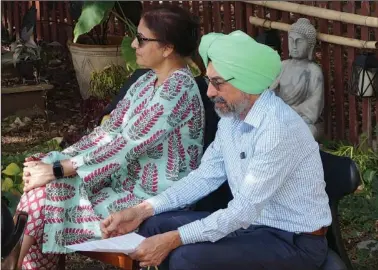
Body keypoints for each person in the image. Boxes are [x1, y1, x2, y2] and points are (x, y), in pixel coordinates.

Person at [101, 30, 332, 270]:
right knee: (152, 226)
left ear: (246, 82)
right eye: (209, 81)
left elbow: (242, 210)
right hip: (253, 225)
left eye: (218, 83)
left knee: (185, 258)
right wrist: (141, 210)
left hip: (294, 240)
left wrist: (173, 239)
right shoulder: (232, 118)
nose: (210, 92)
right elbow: (204, 176)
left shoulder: (277, 129)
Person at [16, 6, 204, 270]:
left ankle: (11, 260)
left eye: (142, 39)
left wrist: (57, 170)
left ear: (167, 48)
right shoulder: (147, 81)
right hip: (121, 181)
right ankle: (13, 261)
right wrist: (55, 162)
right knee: (44, 188)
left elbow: (123, 147)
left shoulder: (179, 89)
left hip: (153, 197)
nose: (134, 44)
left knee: (47, 194)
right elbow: (106, 134)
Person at [271, 18, 324, 139]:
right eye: (291, 40)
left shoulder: (313, 71)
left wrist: (289, 111)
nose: (294, 46)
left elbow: (314, 106)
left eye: (299, 41)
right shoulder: (283, 65)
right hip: (279, 116)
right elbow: (270, 93)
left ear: (310, 46)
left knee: (309, 132)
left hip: (301, 120)